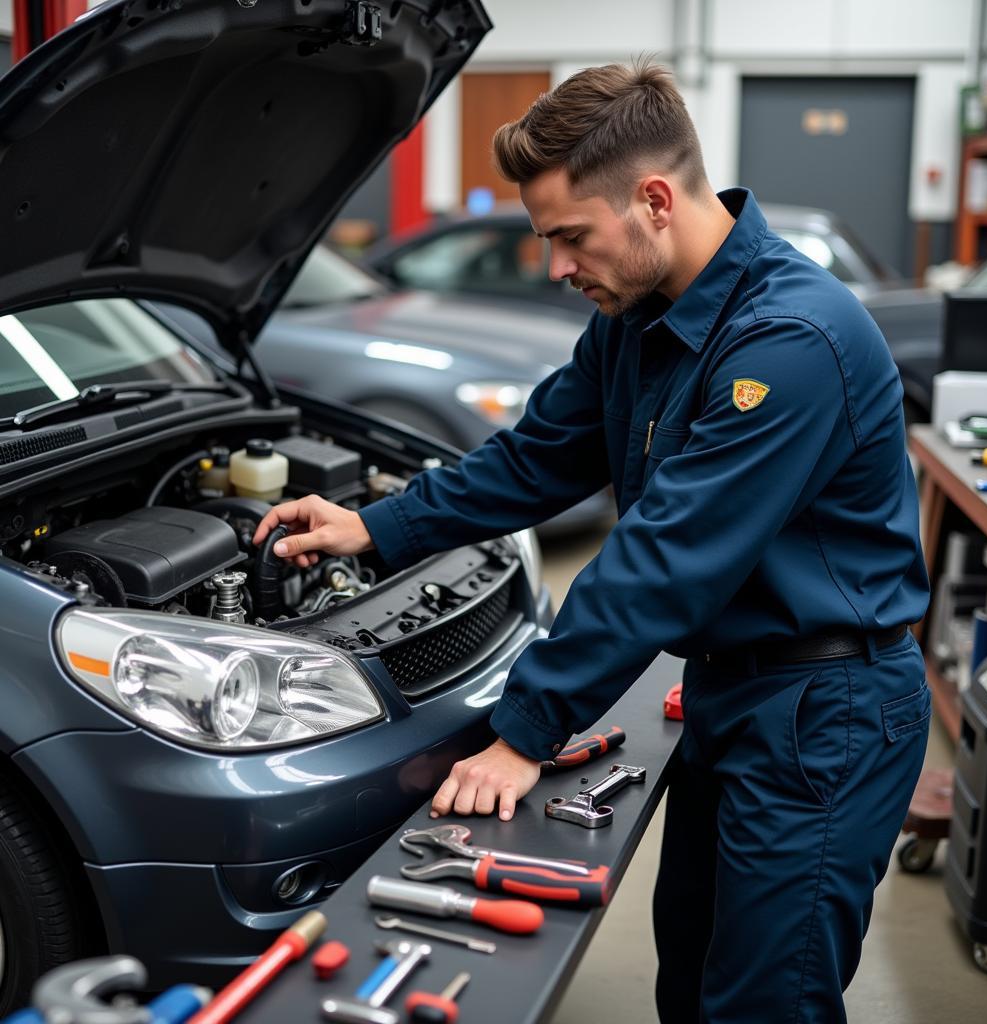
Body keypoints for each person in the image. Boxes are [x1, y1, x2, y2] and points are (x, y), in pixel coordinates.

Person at [253, 60, 930, 1024]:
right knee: (691, 982)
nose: (559, 267)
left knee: (765, 1004)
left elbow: (665, 559)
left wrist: (526, 733)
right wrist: (372, 526)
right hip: (735, 691)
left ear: (654, 199)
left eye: (570, 236)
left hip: (827, 712)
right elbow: (535, 458)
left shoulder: (792, 341)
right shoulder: (638, 319)